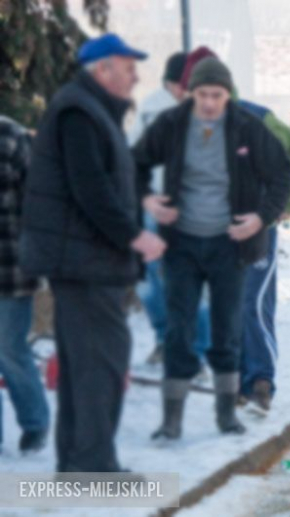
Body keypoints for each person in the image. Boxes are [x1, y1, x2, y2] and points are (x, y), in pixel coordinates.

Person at [20, 33, 166, 472]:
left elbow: (105, 180)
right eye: (128, 67)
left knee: (87, 363)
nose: (135, 76)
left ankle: (79, 463)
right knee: (100, 364)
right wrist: (134, 236)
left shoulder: (89, 109)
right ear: (103, 69)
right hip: (85, 262)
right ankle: (93, 466)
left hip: (86, 260)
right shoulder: (80, 112)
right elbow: (91, 188)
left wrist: (142, 202)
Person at [133, 57, 290, 440]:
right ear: (191, 93)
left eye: (216, 95)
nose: (209, 102)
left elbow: (282, 172)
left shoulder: (246, 127)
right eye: (202, 94)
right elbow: (134, 163)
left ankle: (226, 415)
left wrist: (260, 218)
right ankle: (171, 420)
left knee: (226, 330)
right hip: (182, 244)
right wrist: (147, 199)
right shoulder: (171, 124)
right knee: (179, 329)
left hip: (230, 245)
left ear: (227, 95)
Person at [129, 51, 212, 366]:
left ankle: (174, 344)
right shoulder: (165, 109)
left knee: (153, 280)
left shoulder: (151, 106)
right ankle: (189, 348)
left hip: (159, 205)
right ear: (176, 83)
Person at [239, 100, 290, 413]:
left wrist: (285, 206)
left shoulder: (257, 117)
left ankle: (260, 382)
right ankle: (240, 382)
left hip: (258, 226)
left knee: (252, 302)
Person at [0, 115, 49, 454]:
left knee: (9, 348)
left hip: (11, 268)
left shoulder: (12, 136)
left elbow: (40, 201)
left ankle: (35, 423)